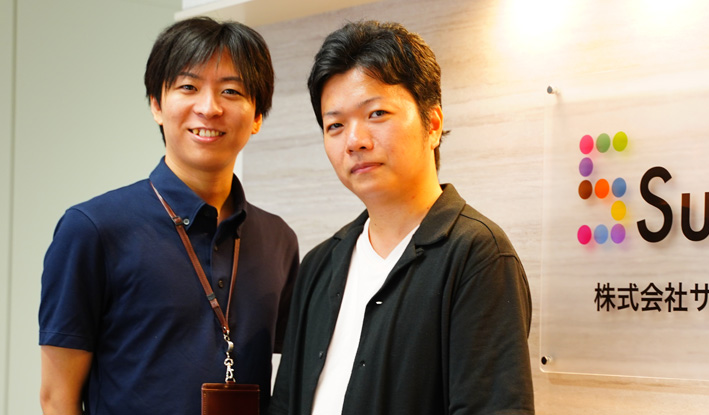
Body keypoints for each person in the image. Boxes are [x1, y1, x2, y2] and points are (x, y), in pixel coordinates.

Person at [269, 21, 534, 415]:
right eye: (335, 125)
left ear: (433, 123)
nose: (355, 141)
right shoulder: (319, 265)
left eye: (376, 113)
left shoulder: (478, 256)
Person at [38, 16, 299, 415]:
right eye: (188, 87)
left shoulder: (278, 239)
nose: (209, 108)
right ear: (157, 105)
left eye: (231, 91)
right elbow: (57, 398)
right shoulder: (92, 229)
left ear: (257, 117)